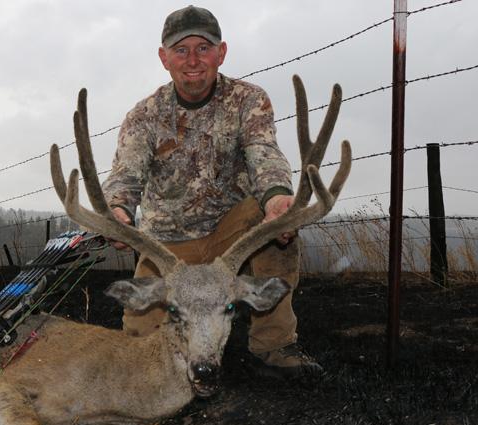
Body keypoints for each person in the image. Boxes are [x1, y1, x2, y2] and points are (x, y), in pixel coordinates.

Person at [101, 5, 322, 378]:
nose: (192, 60)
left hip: (231, 239)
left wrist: (277, 198)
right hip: (169, 248)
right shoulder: (144, 116)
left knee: (271, 222)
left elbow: (263, 154)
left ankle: (274, 345)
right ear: (163, 57)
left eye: (203, 48)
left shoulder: (247, 100)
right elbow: (125, 176)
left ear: (221, 53)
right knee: (140, 344)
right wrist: (117, 211)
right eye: (181, 49)